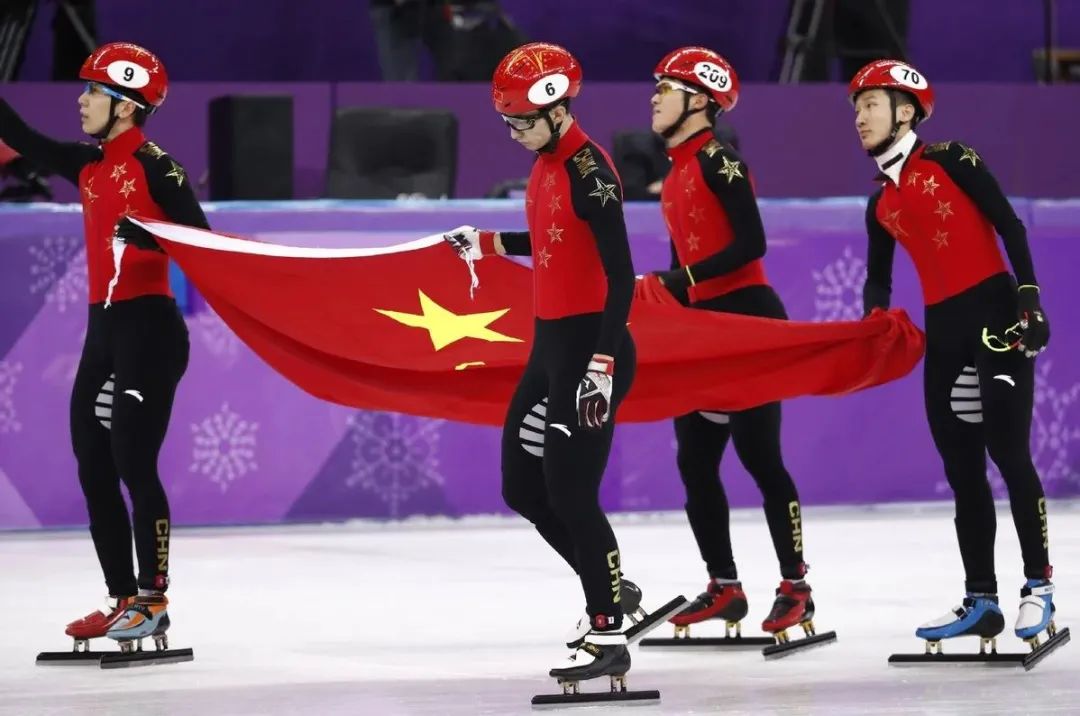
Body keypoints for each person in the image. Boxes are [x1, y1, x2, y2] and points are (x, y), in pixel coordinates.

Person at [444, 41, 646, 687]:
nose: (514, 135)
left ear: (557, 110)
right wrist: (488, 243)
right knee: (524, 489)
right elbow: (557, 240)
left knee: (573, 493)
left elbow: (621, 275)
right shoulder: (547, 162)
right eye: (507, 124)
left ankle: (608, 633)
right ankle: (612, 588)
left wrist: (601, 365)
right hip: (550, 348)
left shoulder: (591, 171)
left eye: (522, 123)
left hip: (591, 351)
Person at [0, 42, 208, 654]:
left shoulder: (159, 168)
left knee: (133, 461)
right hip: (104, 332)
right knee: (93, 462)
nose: (81, 100)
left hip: (150, 331)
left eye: (93, 91)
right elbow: (21, 136)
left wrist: (149, 236)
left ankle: (153, 602)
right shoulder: (87, 166)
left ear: (126, 105)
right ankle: (122, 600)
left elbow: (203, 243)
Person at [851, 59, 1058, 650]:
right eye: (856, 108)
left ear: (906, 112)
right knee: (963, 471)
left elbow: (1010, 226)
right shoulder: (878, 204)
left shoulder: (952, 159)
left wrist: (1030, 300)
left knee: (1009, 454)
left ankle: (1039, 586)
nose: (860, 117)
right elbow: (878, 280)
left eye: (871, 104)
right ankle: (981, 600)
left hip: (997, 320)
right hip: (943, 336)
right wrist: (872, 321)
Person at [646, 47, 821, 645]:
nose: (654, 98)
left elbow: (751, 244)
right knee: (694, 463)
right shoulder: (674, 172)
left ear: (700, 100)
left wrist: (682, 280)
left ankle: (796, 585)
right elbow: (681, 259)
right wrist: (673, 304)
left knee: (759, 457)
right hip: (703, 329)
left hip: (747, 320)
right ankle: (725, 587)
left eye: (666, 88)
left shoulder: (721, 161)